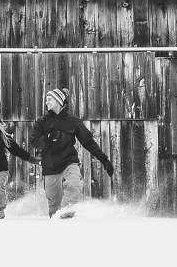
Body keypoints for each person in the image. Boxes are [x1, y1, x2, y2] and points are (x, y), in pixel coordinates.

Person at [30, 88, 114, 218]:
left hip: (69, 161)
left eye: (49, 99)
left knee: (73, 186)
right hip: (50, 166)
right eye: (46, 100)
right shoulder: (42, 121)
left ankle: (68, 214)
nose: (46, 102)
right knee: (54, 207)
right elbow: (34, 142)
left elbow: (88, 142)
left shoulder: (73, 121)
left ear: (59, 101)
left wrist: (104, 159)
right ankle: (58, 226)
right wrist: (48, 137)